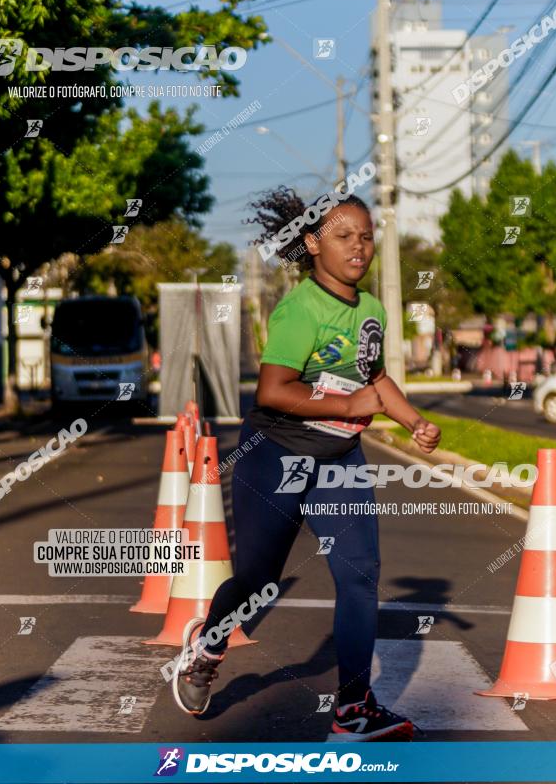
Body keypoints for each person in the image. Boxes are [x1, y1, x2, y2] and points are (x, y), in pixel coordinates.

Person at [173, 187, 441, 741]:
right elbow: (273, 390)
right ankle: (207, 645)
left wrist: (413, 422)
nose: (359, 248)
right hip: (276, 456)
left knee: (360, 578)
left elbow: (375, 378)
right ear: (313, 243)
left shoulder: (370, 309)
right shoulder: (300, 308)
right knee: (256, 579)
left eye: (366, 236)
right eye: (344, 237)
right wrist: (346, 405)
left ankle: (352, 710)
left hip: (339, 460)